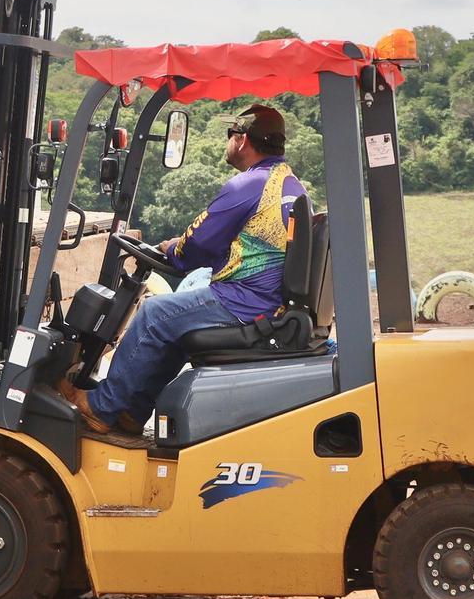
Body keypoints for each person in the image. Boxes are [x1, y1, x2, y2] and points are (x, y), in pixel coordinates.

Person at [62, 104, 307, 434]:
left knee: (155, 313)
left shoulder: (248, 185)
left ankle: (101, 407)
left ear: (243, 140)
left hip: (245, 303)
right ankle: (131, 412)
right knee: (176, 321)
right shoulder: (288, 183)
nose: (228, 141)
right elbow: (236, 241)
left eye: (230, 134)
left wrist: (172, 250)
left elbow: (196, 247)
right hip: (265, 300)